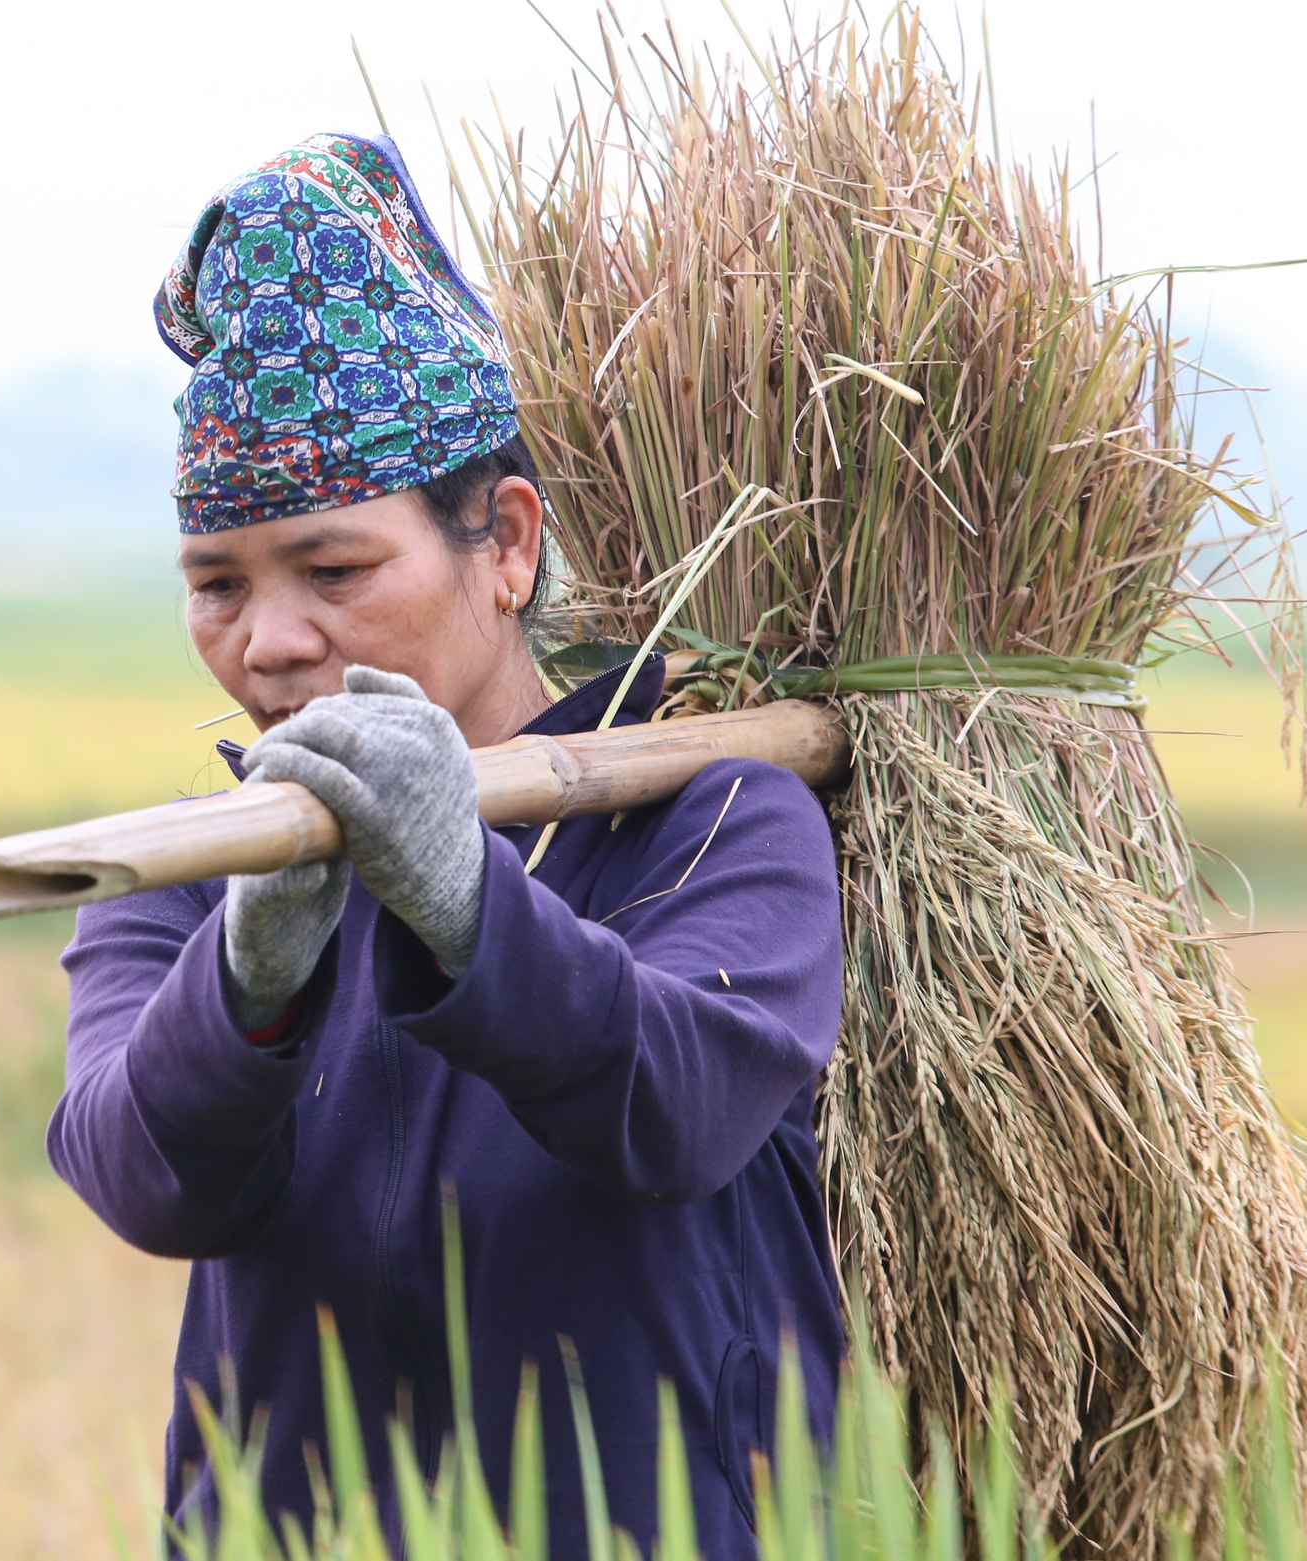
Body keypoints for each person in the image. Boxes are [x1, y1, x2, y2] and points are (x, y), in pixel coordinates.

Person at [48, 131, 845, 1559]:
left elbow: (678, 1104)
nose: (271, 642)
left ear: (510, 547)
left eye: (337, 570)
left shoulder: (717, 818)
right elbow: (140, 1171)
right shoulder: (190, 882)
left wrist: (467, 898)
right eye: (217, 584)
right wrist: (249, 978)